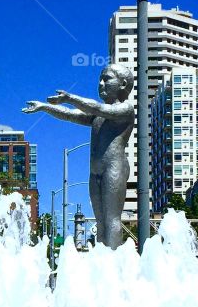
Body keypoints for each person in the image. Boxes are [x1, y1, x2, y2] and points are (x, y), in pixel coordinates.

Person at [22, 64, 135, 249]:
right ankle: (102, 260)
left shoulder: (125, 109)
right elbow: (71, 115)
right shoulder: (98, 116)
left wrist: (69, 97)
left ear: (123, 84)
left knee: (111, 218)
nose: (101, 83)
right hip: (95, 171)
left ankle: (113, 263)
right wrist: (45, 107)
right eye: (100, 79)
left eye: (106, 79)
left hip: (114, 168)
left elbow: (98, 108)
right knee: (100, 221)